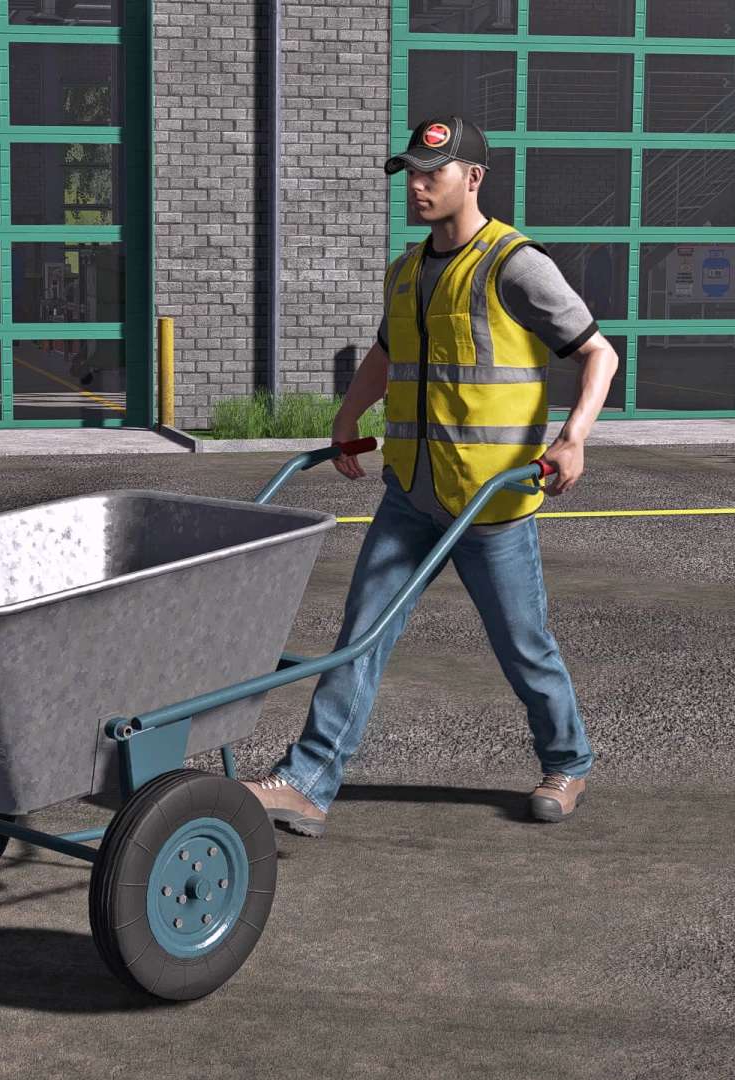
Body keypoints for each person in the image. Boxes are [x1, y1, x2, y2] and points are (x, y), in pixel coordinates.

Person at [241, 115, 622, 834]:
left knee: (523, 647)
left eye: (431, 173)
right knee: (360, 636)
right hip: (411, 497)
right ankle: (308, 781)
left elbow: (598, 352)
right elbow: (388, 354)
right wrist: (348, 414)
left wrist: (573, 439)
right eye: (410, 174)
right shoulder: (407, 270)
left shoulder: (515, 265)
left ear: (472, 178)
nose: (416, 186)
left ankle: (568, 761)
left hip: (490, 505)